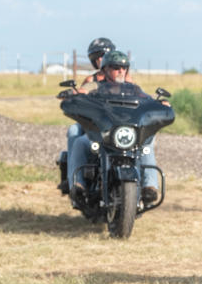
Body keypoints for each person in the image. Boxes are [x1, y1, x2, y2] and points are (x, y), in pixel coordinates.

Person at [66, 50, 167, 205]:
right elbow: (83, 92)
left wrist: (160, 104)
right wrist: (77, 96)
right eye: (115, 67)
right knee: (80, 142)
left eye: (123, 67)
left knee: (147, 145)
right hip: (103, 135)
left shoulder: (133, 89)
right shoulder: (96, 86)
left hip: (126, 134)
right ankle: (77, 186)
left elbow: (147, 100)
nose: (120, 71)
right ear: (105, 69)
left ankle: (150, 186)